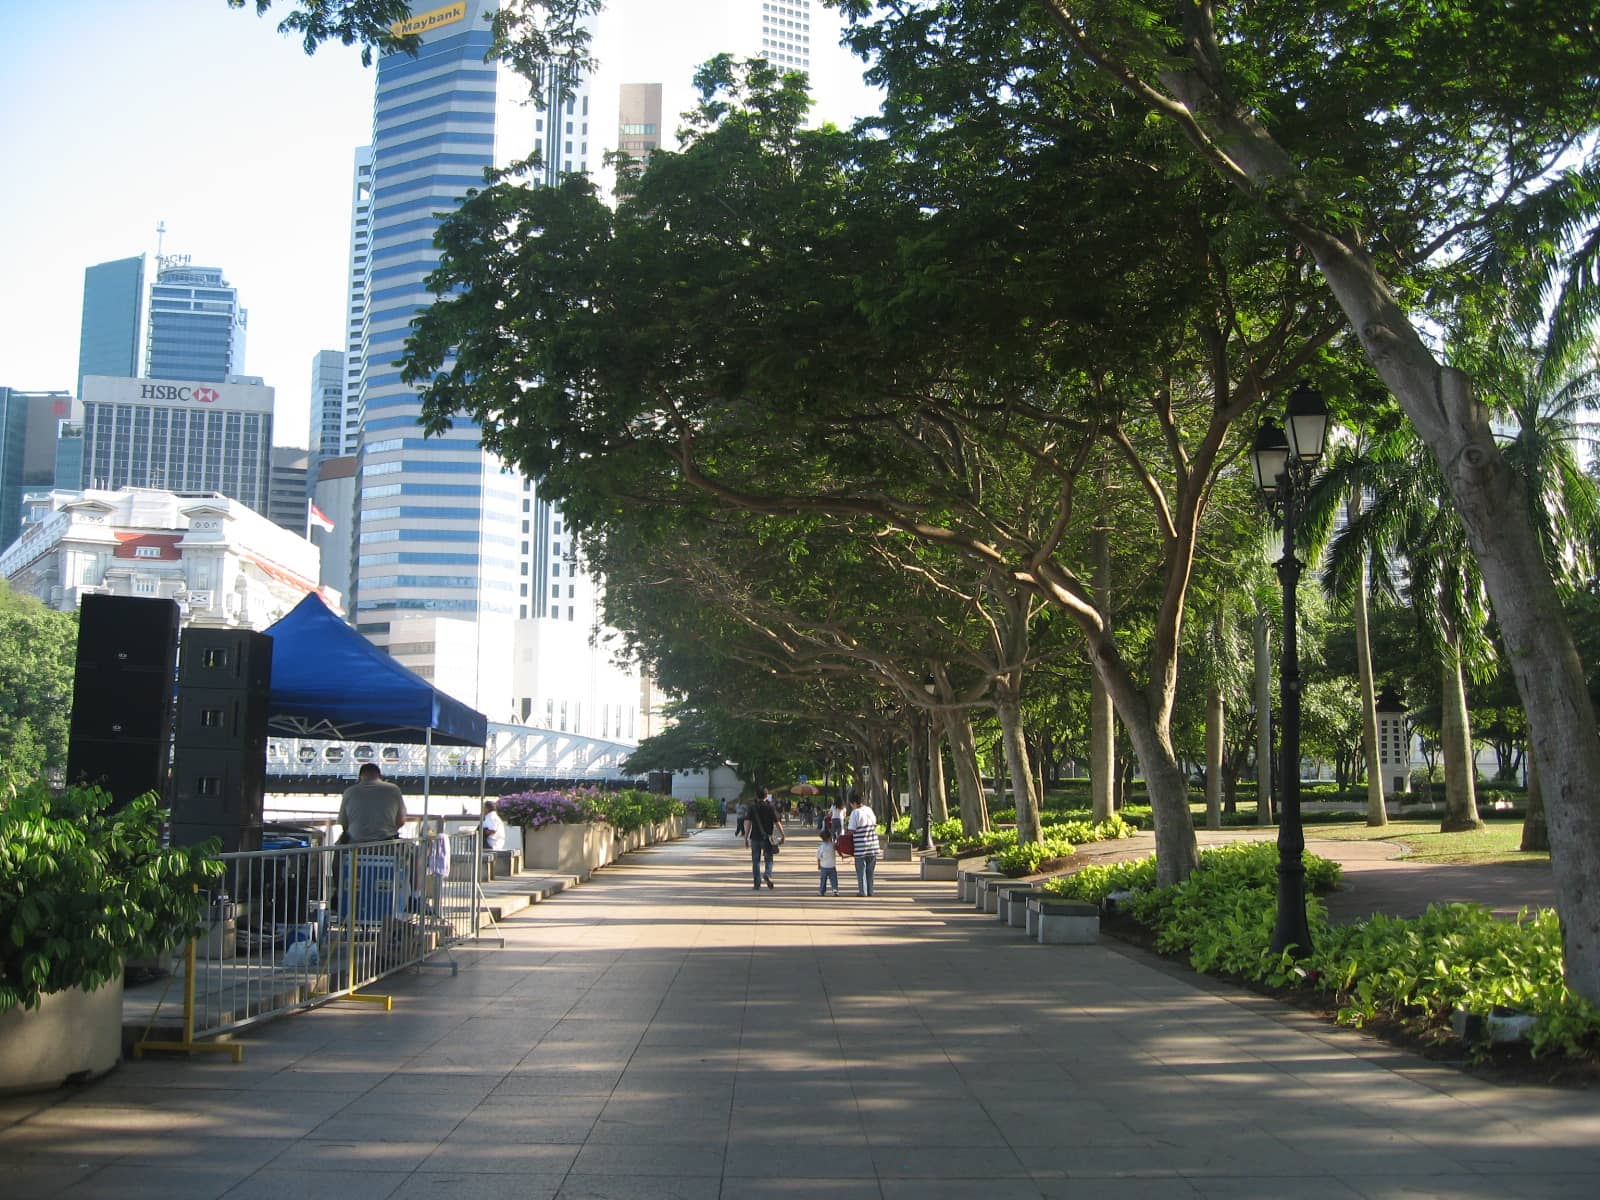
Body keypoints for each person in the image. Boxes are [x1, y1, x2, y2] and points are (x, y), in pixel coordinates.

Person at [337, 763, 408, 843]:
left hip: (356, 844)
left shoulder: (349, 791)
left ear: (360, 776)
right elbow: (401, 821)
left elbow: (344, 823)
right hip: (386, 843)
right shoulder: (393, 789)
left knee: (339, 847)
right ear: (379, 775)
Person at [746, 787, 784, 890]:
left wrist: (746, 838)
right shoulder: (770, 807)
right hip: (767, 838)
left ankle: (757, 884)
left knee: (755, 861)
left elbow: (748, 823)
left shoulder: (752, 808)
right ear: (766, 796)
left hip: (754, 837)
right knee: (769, 859)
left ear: (756, 796)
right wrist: (783, 835)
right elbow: (777, 822)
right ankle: (767, 874)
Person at [847, 792, 880, 897]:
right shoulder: (869, 810)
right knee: (870, 871)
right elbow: (874, 824)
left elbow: (851, 830)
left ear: (854, 803)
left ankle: (863, 891)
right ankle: (870, 891)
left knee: (861, 871)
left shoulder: (855, 813)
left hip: (861, 846)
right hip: (873, 845)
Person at [816, 829, 840, 896]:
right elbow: (837, 847)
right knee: (833, 879)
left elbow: (818, 857)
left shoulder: (821, 847)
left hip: (824, 867)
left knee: (823, 880)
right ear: (830, 837)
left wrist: (818, 865)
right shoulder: (832, 845)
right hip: (832, 866)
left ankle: (822, 891)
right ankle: (835, 890)